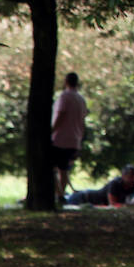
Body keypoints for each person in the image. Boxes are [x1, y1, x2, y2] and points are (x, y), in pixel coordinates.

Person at [51, 72, 87, 204]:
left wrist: (51, 131)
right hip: (74, 139)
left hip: (60, 139)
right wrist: (80, 139)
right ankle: (60, 196)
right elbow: (82, 122)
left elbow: (60, 115)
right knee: (64, 169)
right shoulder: (81, 99)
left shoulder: (64, 96)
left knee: (51, 168)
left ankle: (59, 194)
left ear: (66, 81)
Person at [65, 164, 134, 207]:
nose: (132, 179)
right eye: (130, 176)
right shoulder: (115, 183)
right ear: (123, 176)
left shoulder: (133, 186)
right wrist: (128, 206)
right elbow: (113, 204)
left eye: (133, 176)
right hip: (82, 198)